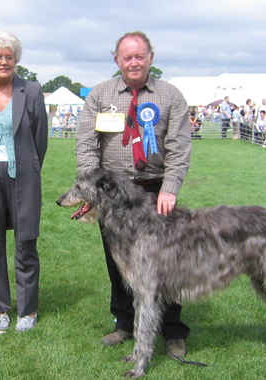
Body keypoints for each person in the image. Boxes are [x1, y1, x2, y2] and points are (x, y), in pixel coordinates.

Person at [76, 31, 191, 360]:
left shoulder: (170, 95)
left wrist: (169, 188)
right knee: (120, 264)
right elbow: (86, 145)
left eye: (139, 56)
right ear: (117, 60)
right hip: (114, 193)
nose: (134, 62)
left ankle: (172, 330)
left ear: (150, 57)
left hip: (156, 191)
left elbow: (179, 148)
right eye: (127, 57)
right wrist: (93, 186)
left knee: (168, 264)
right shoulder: (101, 94)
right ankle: (125, 323)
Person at [0, 30, 48, 334]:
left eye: (9, 56)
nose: (4, 61)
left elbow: (40, 139)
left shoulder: (32, 90)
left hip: (24, 177)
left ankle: (27, 310)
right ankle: (0, 308)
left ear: (16, 59)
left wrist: (29, 166)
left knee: (26, 243)